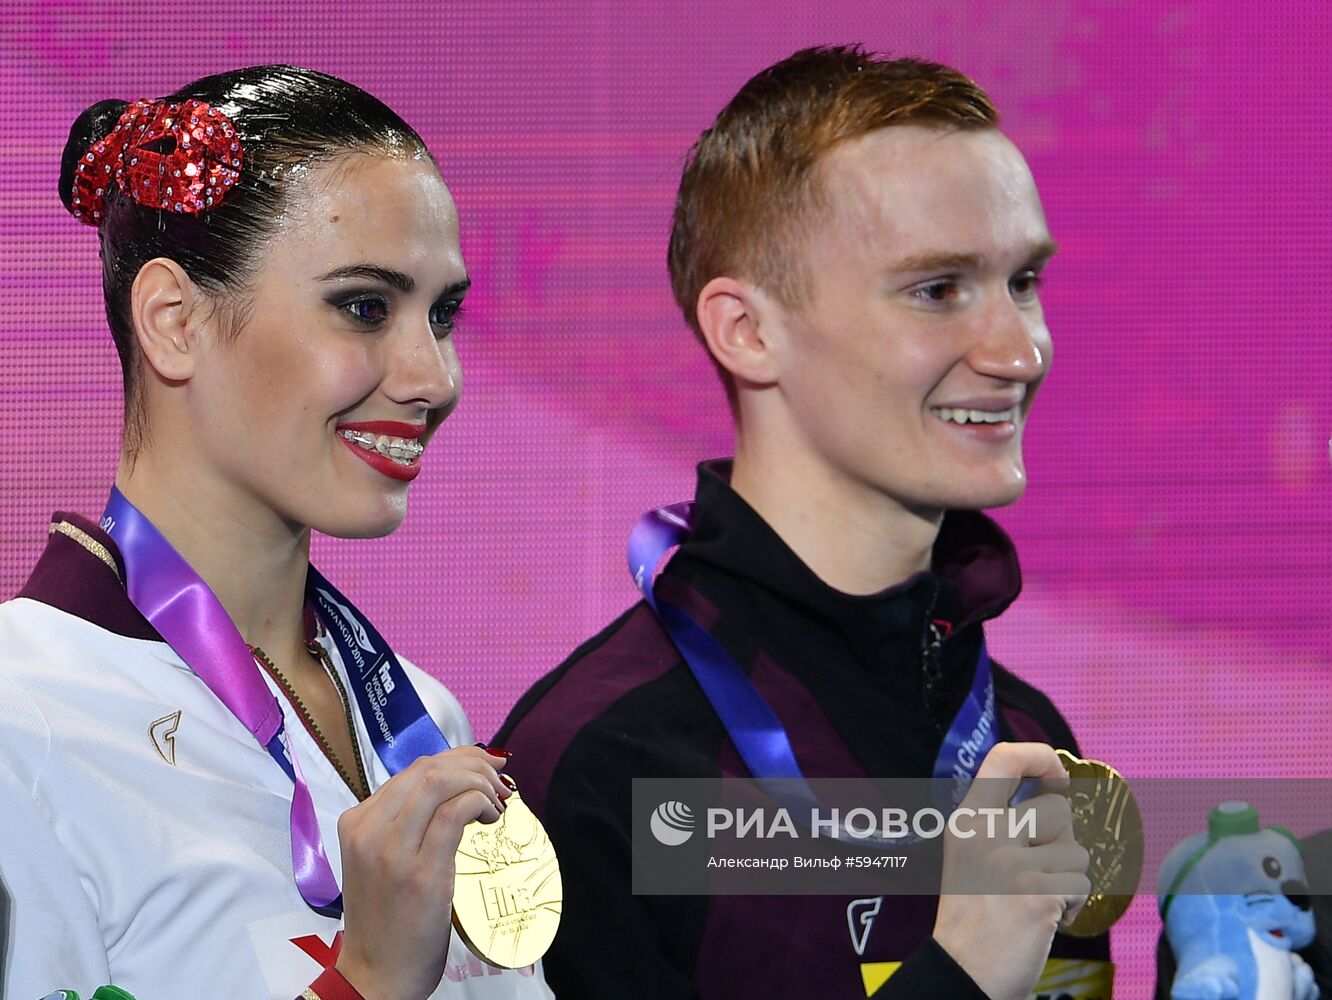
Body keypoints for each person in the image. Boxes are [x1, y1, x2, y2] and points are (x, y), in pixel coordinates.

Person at [497, 46, 1103, 999]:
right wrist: (956, 980)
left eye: (1023, 281)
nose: (1021, 350)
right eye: (938, 290)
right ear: (746, 330)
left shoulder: (1022, 734)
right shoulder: (598, 766)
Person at [0, 66, 551, 1000]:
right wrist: (365, 983)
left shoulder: (421, 718)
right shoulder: (22, 722)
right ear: (174, 322)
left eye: (442, 314)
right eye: (366, 307)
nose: (434, 377)